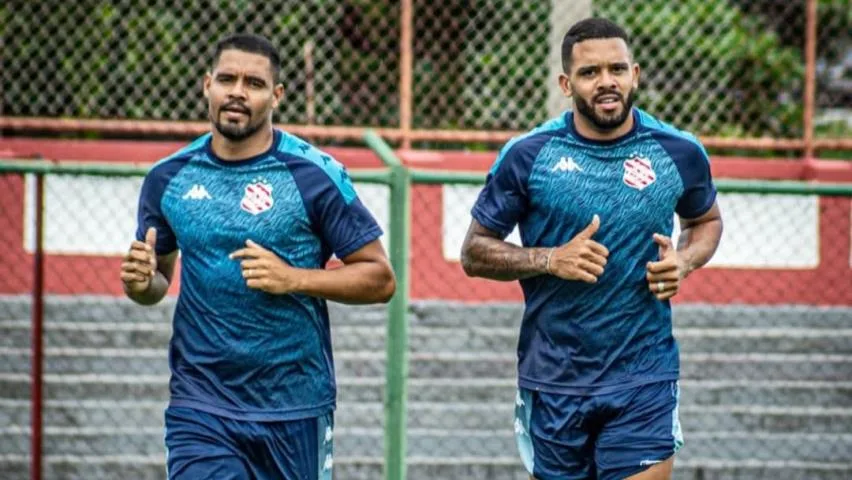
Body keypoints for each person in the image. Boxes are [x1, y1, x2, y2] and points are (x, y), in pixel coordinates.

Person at [119, 33, 396, 480]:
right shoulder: (167, 177)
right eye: (227, 79)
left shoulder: (315, 175)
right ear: (207, 85)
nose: (237, 92)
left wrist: (294, 278)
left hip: (295, 405)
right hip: (201, 402)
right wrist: (139, 283)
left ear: (276, 96)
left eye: (254, 83)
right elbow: (157, 283)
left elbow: (380, 278)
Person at [460, 18, 723, 480]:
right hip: (553, 378)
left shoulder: (678, 151)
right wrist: (548, 259)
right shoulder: (528, 155)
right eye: (589, 72)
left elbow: (705, 221)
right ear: (566, 83)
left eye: (617, 69)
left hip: (644, 373)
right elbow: (474, 252)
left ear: (635, 74)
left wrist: (685, 260)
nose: (606, 82)